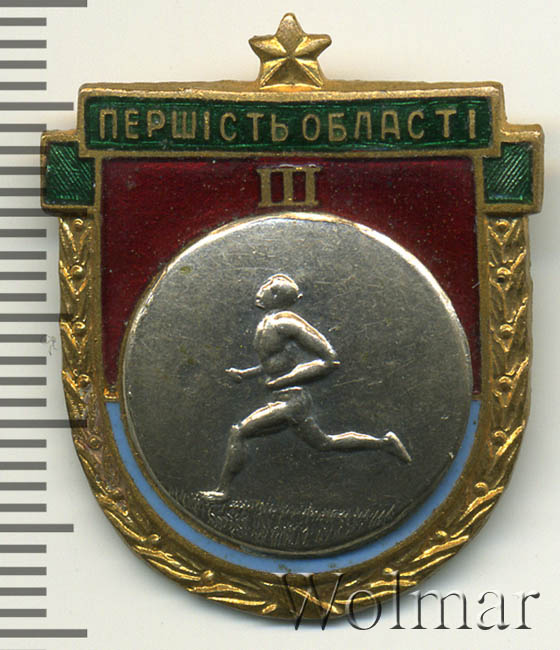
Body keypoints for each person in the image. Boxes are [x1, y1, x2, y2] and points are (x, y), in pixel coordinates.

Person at [199, 274, 410, 502]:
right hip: (283, 399)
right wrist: (245, 373)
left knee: (239, 431)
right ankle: (384, 443)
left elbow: (329, 360)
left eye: (268, 288)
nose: (260, 291)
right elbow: (274, 363)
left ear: (276, 296)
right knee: (325, 443)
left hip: (292, 402)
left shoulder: (287, 324)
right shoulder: (267, 324)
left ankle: (223, 491)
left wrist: (284, 381)